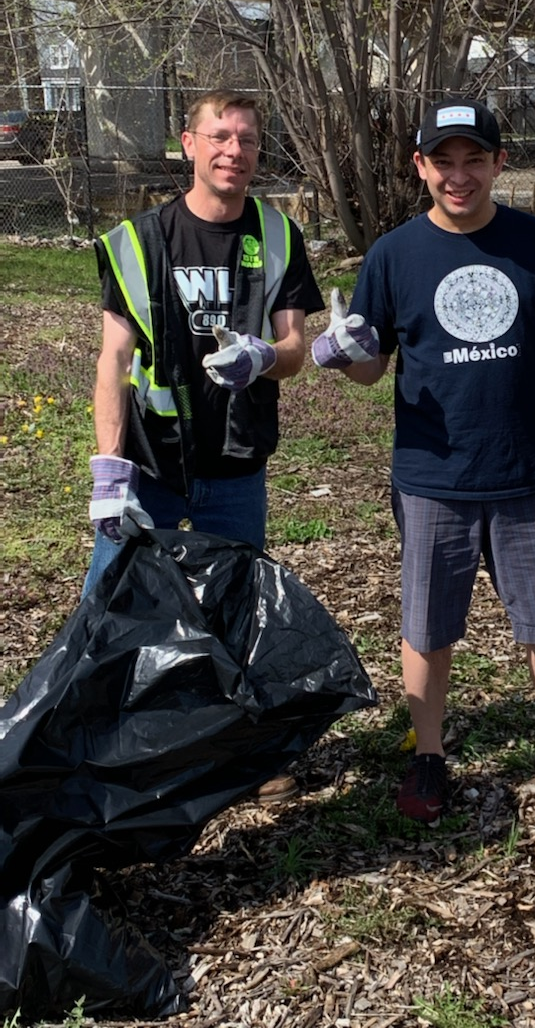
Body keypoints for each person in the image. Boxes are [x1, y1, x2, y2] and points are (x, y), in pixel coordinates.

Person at [311, 97, 535, 836]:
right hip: (432, 474)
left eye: (474, 159)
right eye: (443, 161)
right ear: (420, 167)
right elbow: (370, 363)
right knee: (428, 627)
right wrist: (342, 357)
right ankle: (428, 755)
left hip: (526, 468)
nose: (460, 176)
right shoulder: (394, 255)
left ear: (498, 163)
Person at [84, 89, 324, 802]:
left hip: (234, 461)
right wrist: (108, 469)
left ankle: (246, 751)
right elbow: (112, 362)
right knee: (115, 600)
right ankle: (100, 744)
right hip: (151, 464)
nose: (234, 151)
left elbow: (295, 348)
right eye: (219, 136)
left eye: (247, 140)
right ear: (187, 144)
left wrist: (264, 356)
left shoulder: (278, 236)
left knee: (237, 604)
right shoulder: (138, 242)